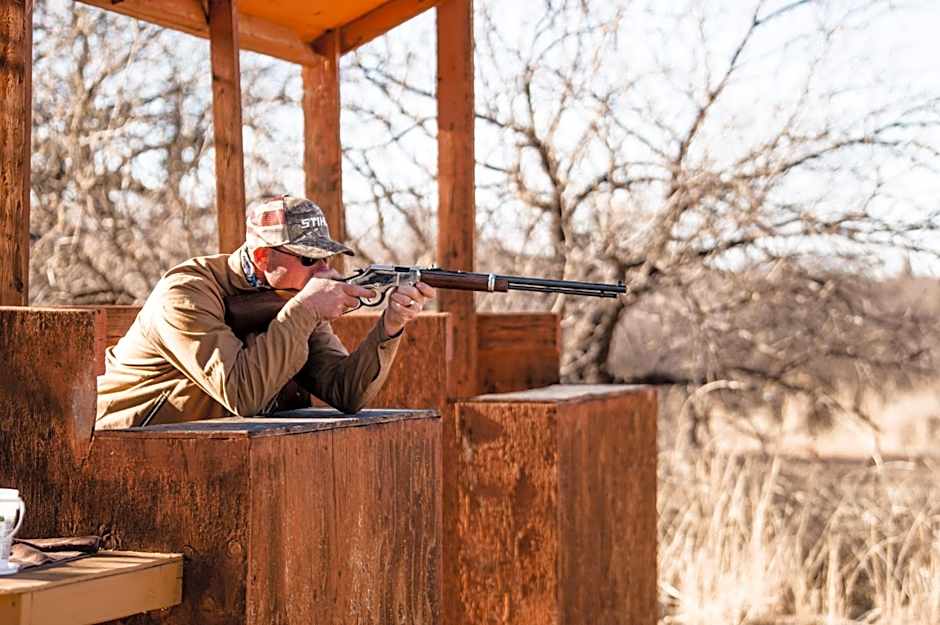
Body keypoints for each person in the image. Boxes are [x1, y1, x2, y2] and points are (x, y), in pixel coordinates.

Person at [95, 195, 434, 429]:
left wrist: (390, 326)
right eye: (307, 258)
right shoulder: (185, 294)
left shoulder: (292, 298)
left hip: (200, 451)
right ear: (261, 257)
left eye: (326, 258)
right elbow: (242, 395)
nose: (322, 269)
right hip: (120, 451)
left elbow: (346, 392)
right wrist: (304, 310)